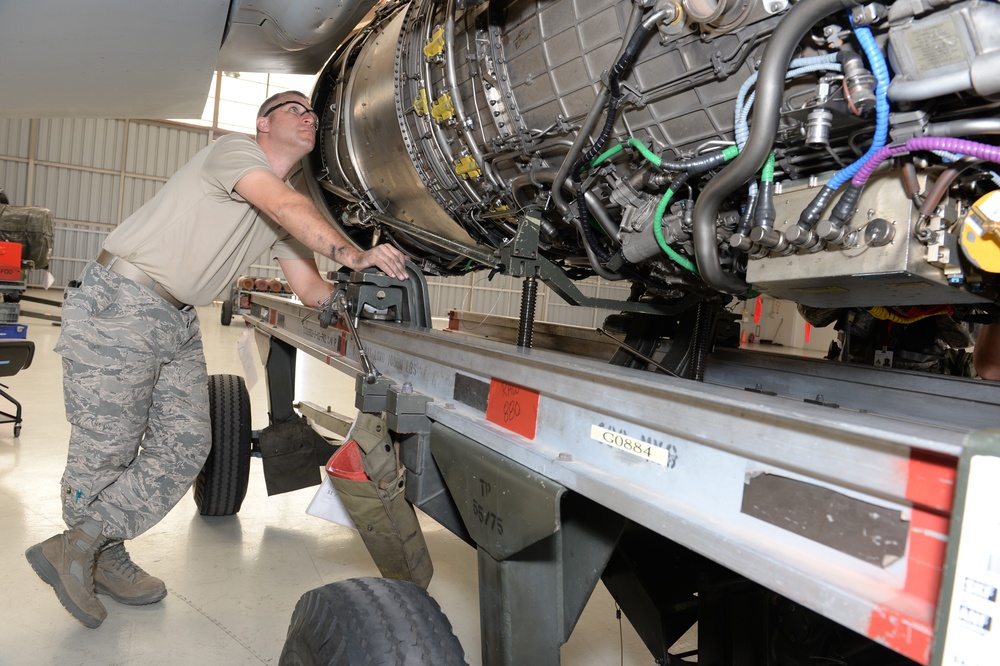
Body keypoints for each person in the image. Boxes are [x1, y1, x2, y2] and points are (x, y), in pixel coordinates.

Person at [25, 91, 408, 628]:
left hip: (178, 318)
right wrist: (352, 250)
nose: (307, 116)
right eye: (293, 108)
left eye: (311, 113)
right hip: (124, 301)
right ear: (262, 124)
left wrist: (368, 295)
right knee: (106, 446)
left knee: (187, 444)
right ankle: (95, 553)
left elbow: (311, 288)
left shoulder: (287, 206)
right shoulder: (235, 153)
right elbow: (283, 206)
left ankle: (87, 544)